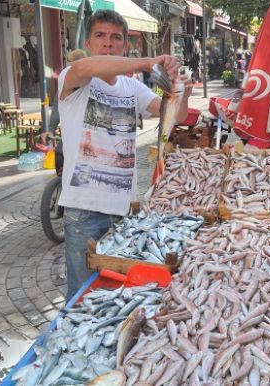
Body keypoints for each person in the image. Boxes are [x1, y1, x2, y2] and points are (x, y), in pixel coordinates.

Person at [57, 10, 189, 299]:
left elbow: (173, 115)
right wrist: (148, 62)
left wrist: (181, 89)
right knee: (83, 295)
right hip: (84, 212)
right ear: (89, 43)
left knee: (118, 293)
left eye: (116, 37)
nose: (108, 43)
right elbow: (85, 69)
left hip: (123, 210)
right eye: (100, 36)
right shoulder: (74, 77)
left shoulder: (132, 88)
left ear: (124, 45)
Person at [41, 49, 88, 146]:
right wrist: (51, 130)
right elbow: (56, 109)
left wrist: (51, 130)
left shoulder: (88, 83)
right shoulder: (66, 84)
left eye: (68, 62)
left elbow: (56, 110)